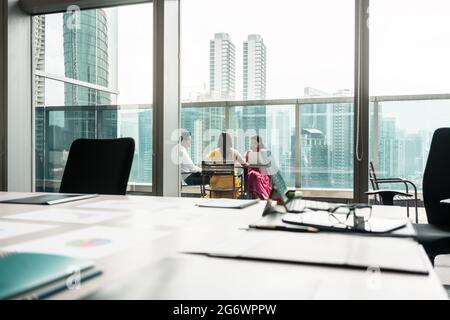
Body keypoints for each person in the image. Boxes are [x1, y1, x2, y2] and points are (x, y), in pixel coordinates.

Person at [206, 132, 247, 198]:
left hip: (216, 184)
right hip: (230, 184)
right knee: (237, 179)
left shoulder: (213, 152)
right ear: (230, 141)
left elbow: (207, 165)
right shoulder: (234, 152)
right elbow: (244, 165)